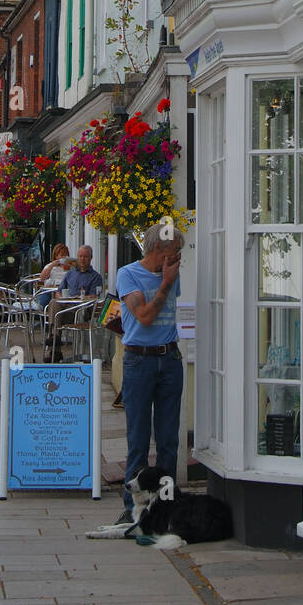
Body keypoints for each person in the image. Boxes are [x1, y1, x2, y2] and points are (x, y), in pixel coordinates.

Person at [115, 223, 184, 522]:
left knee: (168, 439)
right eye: (175, 252)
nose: (179, 258)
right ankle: (133, 511)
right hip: (139, 362)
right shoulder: (128, 274)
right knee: (139, 439)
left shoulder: (171, 273)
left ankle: (165, 507)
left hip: (169, 358)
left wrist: (169, 279)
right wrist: (166, 283)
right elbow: (143, 317)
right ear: (159, 250)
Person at [44, 245, 103, 361]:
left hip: (81, 311)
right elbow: (58, 291)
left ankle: (54, 346)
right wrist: (62, 297)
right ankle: (54, 338)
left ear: (91, 258)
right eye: (80, 256)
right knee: (54, 302)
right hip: (66, 309)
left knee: (58, 313)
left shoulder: (95, 277)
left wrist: (78, 297)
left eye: (85, 256)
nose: (82, 259)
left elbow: (94, 297)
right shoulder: (70, 274)